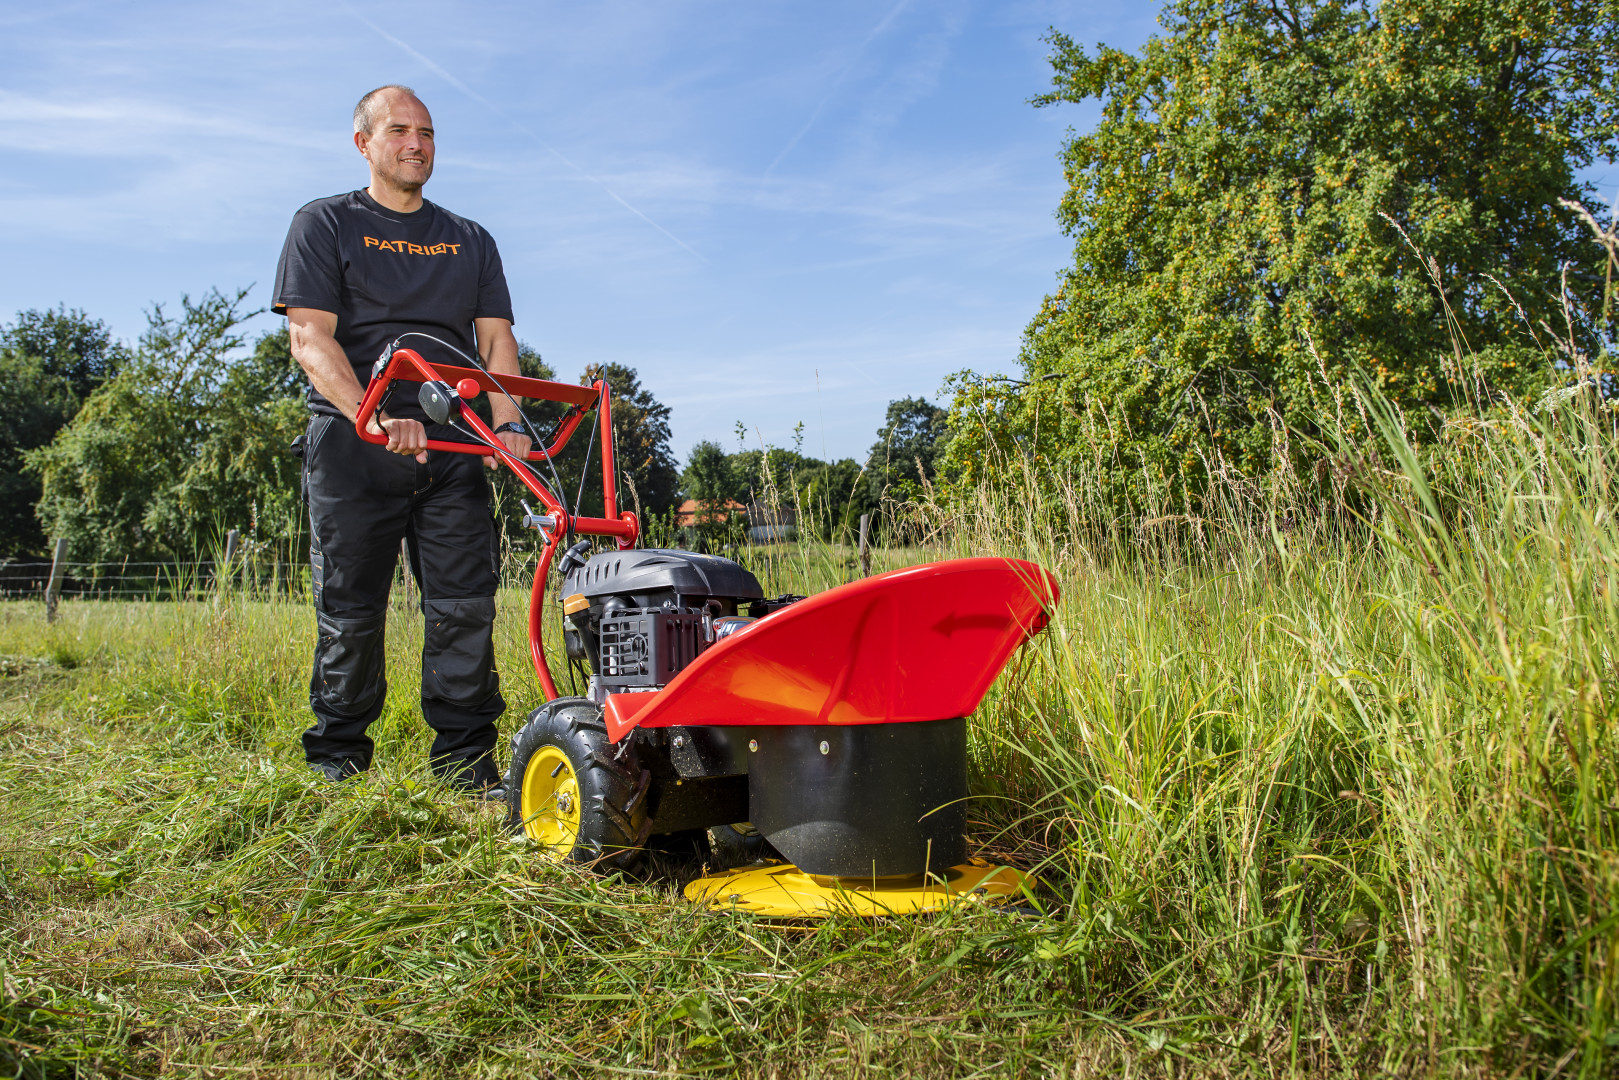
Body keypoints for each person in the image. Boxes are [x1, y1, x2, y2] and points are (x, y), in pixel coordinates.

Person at [272, 85, 533, 796]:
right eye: (398, 131)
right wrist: (371, 415)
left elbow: (495, 340)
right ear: (364, 143)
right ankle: (339, 766)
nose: (415, 143)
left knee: (463, 605)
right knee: (351, 609)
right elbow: (309, 337)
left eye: (426, 132)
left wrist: (507, 423)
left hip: (451, 443)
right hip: (354, 442)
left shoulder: (470, 238)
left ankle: (464, 766)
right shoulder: (325, 223)